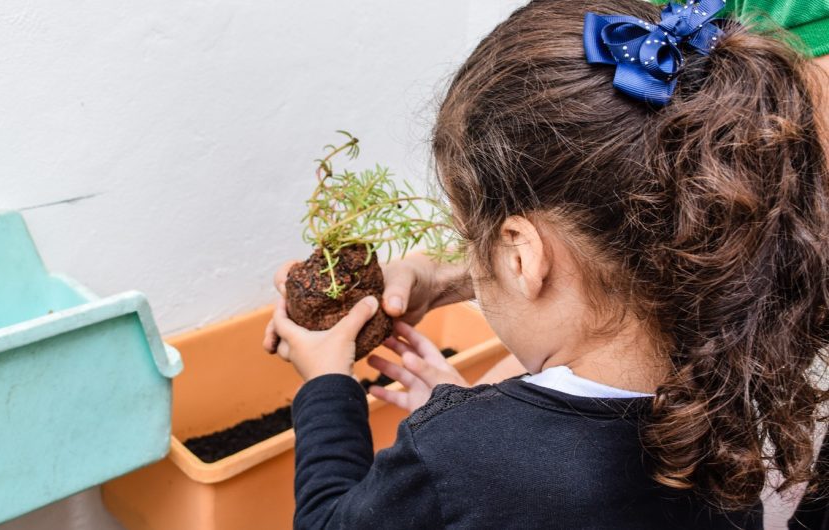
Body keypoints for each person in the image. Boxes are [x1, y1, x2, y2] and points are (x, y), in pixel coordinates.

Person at [264, 0, 829, 527]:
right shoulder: (720, 406)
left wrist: (327, 384)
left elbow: (327, 520)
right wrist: (472, 419)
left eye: (470, 238)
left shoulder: (453, 456)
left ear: (521, 253)